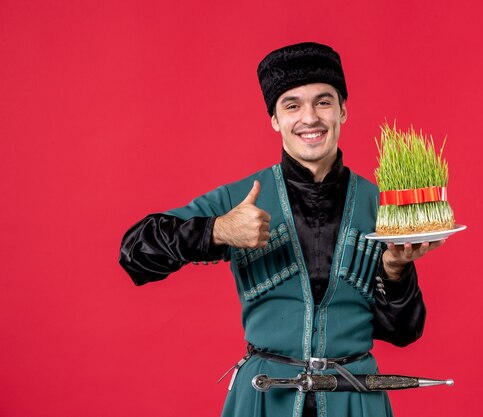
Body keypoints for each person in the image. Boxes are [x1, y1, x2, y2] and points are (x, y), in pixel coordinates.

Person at [119, 42, 444, 417]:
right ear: (274, 119)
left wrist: (395, 271)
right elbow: (134, 254)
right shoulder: (241, 198)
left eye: (323, 102)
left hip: (355, 398)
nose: (310, 117)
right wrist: (218, 230)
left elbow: (404, 334)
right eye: (292, 105)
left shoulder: (380, 205)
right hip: (262, 399)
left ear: (343, 111)